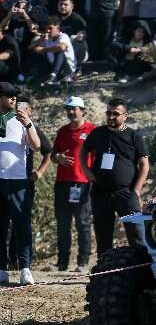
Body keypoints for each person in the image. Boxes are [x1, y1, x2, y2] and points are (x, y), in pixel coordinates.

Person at [80, 98, 148, 256]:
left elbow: (144, 164)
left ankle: (143, 267)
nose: (111, 116)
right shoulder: (98, 133)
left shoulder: (134, 136)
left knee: (137, 236)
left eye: (115, 114)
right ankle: (105, 268)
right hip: (100, 192)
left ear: (125, 116)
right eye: (108, 113)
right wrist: (86, 171)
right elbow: (83, 151)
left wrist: (137, 190)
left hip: (126, 193)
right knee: (103, 238)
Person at [0, 82, 41, 286]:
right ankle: (2, 269)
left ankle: (25, 268)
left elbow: (37, 146)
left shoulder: (21, 120)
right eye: (9, 96)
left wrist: (28, 125)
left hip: (17, 181)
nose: (14, 99)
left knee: (22, 226)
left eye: (15, 96)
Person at [51, 96, 95, 272]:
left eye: (74, 109)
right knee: (63, 224)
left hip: (82, 183)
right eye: (68, 109)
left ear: (82, 111)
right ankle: (62, 263)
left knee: (82, 223)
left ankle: (83, 263)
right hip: (62, 183)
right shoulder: (62, 131)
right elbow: (53, 155)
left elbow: (98, 157)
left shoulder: (92, 130)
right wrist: (58, 157)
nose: (70, 112)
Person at [29, 16, 77, 84]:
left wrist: (43, 49)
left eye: (50, 28)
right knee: (35, 53)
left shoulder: (63, 36)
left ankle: (53, 76)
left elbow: (62, 47)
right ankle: (25, 76)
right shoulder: (48, 39)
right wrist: (40, 40)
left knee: (59, 50)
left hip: (67, 68)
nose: (48, 31)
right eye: (46, 28)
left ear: (58, 28)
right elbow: (30, 48)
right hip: (53, 66)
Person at [57, 0, 87, 66]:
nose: (62, 6)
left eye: (65, 4)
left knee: (74, 38)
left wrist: (82, 35)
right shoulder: (55, 19)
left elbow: (85, 36)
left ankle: (74, 67)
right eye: (61, 4)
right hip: (60, 50)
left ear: (72, 6)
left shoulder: (77, 20)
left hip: (76, 51)